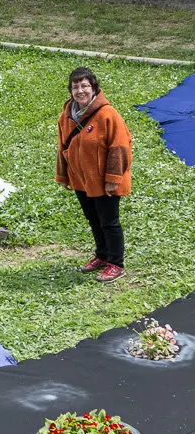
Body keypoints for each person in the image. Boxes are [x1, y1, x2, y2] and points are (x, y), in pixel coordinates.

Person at [56, 67, 132, 283]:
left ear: (94, 88)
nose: (80, 91)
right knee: (93, 218)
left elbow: (120, 148)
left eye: (85, 86)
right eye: (75, 87)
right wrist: (63, 175)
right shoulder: (66, 115)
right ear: (70, 90)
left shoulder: (108, 114)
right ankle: (102, 255)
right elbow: (62, 146)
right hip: (81, 180)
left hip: (104, 181)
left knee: (109, 221)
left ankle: (116, 263)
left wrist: (112, 180)